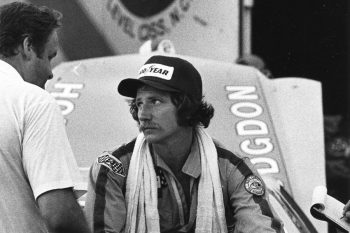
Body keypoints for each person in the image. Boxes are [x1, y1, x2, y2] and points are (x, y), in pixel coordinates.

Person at [85, 55, 283, 232]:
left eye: (155, 102)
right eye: (138, 103)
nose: (143, 115)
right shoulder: (114, 168)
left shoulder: (232, 169)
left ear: (186, 107)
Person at [0, 2, 90, 233]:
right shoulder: (32, 100)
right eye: (49, 57)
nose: (51, 72)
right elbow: (59, 214)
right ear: (28, 45)